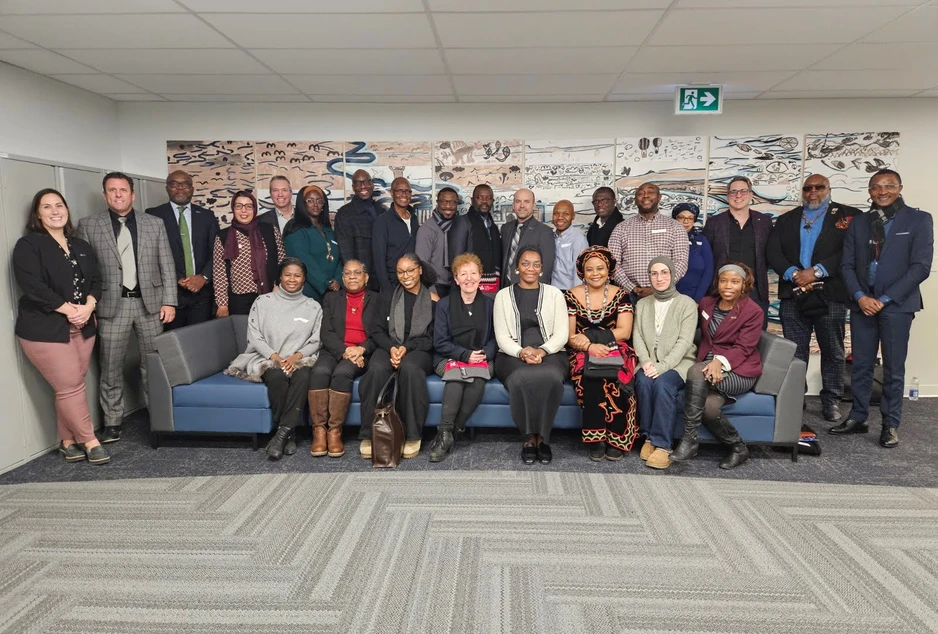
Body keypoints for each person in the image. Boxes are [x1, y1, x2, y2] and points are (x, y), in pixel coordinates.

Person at [834, 168, 933, 448]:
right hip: (862, 303)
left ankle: (890, 424)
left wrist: (886, 299)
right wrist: (860, 296)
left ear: (900, 187)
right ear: (869, 191)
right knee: (862, 364)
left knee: (893, 367)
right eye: (876, 186)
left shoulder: (919, 219)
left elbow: (921, 267)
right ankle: (858, 417)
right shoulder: (859, 222)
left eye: (889, 185)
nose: (882, 191)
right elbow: (847, 264)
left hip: (897, 306)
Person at [77, 172, 176, 444]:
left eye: (123, 190)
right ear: (105, 194)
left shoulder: (153, 224)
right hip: (112, 305)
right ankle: (112, 421)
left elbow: (166, 264)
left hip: (150, 305)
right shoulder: (88, 226)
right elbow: (85, 271)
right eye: (112, 190)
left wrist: (169, 300)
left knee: (153, 365)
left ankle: (158, 418)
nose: (118, 195)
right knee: (110, 366)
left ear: (133, 194)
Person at [14, 189, 109, 465]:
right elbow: (33, 286)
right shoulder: (29, 245)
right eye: (47, 207)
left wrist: (89, 306)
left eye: (59, 205)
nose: (55, 211)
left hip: (83, 326)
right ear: (37, 214)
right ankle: (90, 441)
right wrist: (69, 310)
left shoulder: (80, 245)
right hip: (44, 330)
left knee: (71, 386)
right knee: (69, 385)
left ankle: (67, 442)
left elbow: (97, 281)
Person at [767, 174, 861, 423]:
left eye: (819, 187)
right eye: (808, 188)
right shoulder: (787, 219)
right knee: (795, 353)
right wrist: (794, 274)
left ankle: (831, 401)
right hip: (794, 294)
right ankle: (795, 398)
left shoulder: (848, 216)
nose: (813, 192)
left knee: (833, 351)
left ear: (829, 189)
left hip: (830, 293)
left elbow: (849, 251)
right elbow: (773, 251)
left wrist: (817, 271)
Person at [226, 258, 323, 461]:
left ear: (304, 278)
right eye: (288, 274)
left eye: (297, 275)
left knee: (304, 376)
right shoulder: (263, 302)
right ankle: (289, 433)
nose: (292, 279)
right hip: (268, 358)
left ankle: (281, 434)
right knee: (277, 377)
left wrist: (296, 357)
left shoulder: (313, 307)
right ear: (280, 276)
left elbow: (316, 340)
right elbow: (254, 336)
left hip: (300, 359)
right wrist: (276, 357)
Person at [671, 263, 763, 470]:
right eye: (723, 280)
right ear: (717, 282)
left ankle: (689, 440)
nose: (728, 286)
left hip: (739, 370)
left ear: (744, 284)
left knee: (695, 372)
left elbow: (744, 348)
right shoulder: (706, 303)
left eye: (735, 281)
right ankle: (738, 448)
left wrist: (719, 362)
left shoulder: (753, 311)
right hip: (706, 369)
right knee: (709, 408)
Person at [357, 254, 439, 460]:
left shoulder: (432, 300)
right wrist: (392, 348)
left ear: (420, 270)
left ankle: (412, 435)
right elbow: (376, 330)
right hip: (388, 347)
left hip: (419, 350)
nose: (406, 276)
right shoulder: (387, 297)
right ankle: (369, 433)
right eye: (401, 272)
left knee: (410, 369)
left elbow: (432, 337)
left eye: (410, 270)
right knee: (376, 369)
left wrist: (406, 348)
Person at [494, 246, 569, 465]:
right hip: (512, 354)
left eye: (536, 264)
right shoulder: (502, 296)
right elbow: (502, 337)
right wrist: (521, 352)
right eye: (525, 263)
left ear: (542, 269)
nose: (531, 268)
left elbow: (562, 334)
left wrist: (541, 351)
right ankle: (528, 438)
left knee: (552, 377)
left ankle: (543, 438)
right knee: (520, 378)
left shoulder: (555, 294)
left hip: (551, 352)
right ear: (517, 267)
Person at [564, 246, 638, 461]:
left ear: (609, 270)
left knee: (617, 376)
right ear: (582, 272)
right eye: (589, 269)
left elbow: (624, 332)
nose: (595, 273)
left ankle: (616, 438)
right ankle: (596, 438)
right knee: (589, 376)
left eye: (600, 268)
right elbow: (570, 336)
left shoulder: (621, 295)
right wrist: (589, 347)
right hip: (581, 350)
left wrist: (593, 339)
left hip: (616, 347)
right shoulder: (571, 295)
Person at [309, 259, 380, 458]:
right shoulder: (331, 299)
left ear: (366, 277)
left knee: (342, 373)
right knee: (319, 372)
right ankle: (319, 431)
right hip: (335, 349)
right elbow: (327, 332)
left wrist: (362, 349)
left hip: (361, 352)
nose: (352, 277)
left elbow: (379, 333)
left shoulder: (377, 299)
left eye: (357, 273)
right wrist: (344, 351)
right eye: (347, 273)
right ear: (343, 278)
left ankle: (334, 431)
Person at [429, 253, 496, 462]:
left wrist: (484, 353)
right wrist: (465, 355)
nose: (469, 278)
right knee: (456, 376)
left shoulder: (489, 304)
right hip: (448, 356)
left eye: (473, 273)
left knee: (476, 378)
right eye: (463, 274)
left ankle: (450, 432)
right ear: (456, 279)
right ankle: (446, 432)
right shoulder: (444, 305)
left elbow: (496, 338)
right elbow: (439, 342)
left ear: (480, 277)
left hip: (482, 357)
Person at [632, 257, 698, 470]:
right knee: (642, 382)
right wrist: (647, 362)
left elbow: (684, 342)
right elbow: (638, 337)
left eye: (664, 272)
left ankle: (662, 445)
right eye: (654, 273)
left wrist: (662, 367)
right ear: (649, 276)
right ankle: (648, 437)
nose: (659, 278)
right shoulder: (642, 304)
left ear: (672, 275)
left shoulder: (686, 303)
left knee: (662, 385)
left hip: (678, 363)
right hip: (649, 361)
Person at [146, 170, 219, 329]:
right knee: (173, 344)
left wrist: (204, 277)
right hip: (169, 295)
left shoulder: (207, 216)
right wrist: (177, 278)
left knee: (200, 341)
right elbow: (149, 255)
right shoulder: (152, 216)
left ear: (192, 189)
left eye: (185, 184)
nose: (180, 188)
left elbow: (217, 252)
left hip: (202, 294)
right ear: (167, 188)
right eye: (174, 184)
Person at [702, 176, 773, 318]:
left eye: (743, 191)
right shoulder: (714, 223)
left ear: (751, 194)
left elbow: (770, 256)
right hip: (722, 292)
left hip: (755, 293)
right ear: (728, 196)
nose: (738, 195)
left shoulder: (764, 222)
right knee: (720, 336)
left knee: (755, 337)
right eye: (733, 192)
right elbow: (706, 258)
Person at [608, 182, 688, 304]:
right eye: (640, 193)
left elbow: (681, 261)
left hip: (665, 294)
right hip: (629, 296)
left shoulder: (675, 227)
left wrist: (658, 287)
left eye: (650, 192)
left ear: (659, 197)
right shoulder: (621, 228)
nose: (645, 196)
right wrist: (633, 289)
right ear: (635, 200)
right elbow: (613, 262)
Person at [213, 191, 286, 316]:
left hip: (269, 294)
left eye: (248, 206)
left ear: (254, 209)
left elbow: (282, 260)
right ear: (233, 209)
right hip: (238, 300)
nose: (243, 211)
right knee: (242, 334)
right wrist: (222, 304)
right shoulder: (223, 236)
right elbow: (219, 273)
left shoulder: (269, 230)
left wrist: (277, 285)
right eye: (239, 206)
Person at [283, 184, 342, 303]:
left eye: (319, 201)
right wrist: (325, 283)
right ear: (302, 203)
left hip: (333, 294)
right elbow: (304, 261)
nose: (315, 205)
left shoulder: (328, 230)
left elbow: (340, 258)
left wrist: (338, 280)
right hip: (308, 294)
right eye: (310, 201)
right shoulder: (295, 229)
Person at [334, 169, 386, 292]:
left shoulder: (382, 212)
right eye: (358, 183)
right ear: (353, 187)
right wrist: (357, 278)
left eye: (366, 182)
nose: (363, 186)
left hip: (383, 280)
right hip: (360, 282)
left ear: (372, 184)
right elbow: (346, 253)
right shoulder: (344, 214)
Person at [448, 183, 502, 293]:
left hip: (492, 288)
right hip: (469, 288)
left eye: (488, 198)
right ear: (472, 200)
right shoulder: (463, 222)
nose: (484, 201)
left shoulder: (493, 226)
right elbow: (456, 259)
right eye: (480, 198)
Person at [372, 177, 419, 293]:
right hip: (393, 283)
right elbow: (379, 258)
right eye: (400, 191)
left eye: (407, 191)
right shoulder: (382, 221)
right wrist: (386, 288)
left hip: (413, 281)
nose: (404, 195)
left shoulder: (414, 219)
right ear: (392, 193)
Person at [500, 188, 555, 287]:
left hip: (529, 289)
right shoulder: (506, 228)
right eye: (518, 201)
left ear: (534, 206)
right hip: (505, 289)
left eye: (526, 201)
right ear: (513, 205)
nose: (522, 205)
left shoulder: (545, 232)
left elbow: (545, 270)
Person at [416, 186, 459, 297]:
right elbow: (422, 263)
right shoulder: (427, 229)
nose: (448, 206)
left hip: (458, 285)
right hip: (436, 286)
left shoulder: (461, 226)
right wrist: (431, 292)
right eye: (444, 202)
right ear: (437, 203)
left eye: (452, 202)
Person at [672, 202, 713, 303]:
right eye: (681, 217)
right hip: (668, 297)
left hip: (693, 298)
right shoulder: (666, 239)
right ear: (675, 218)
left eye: (690, 218)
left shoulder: (701, 241)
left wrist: (697, 300)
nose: (686, 221)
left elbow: (708, 272)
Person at [551, 199, 589, 291]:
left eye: (566, 214)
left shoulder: (578, 240)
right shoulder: (550, 237)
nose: (560, 217)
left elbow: (579, 272)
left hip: (569, 290)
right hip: (552, 290)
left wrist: (575, 295)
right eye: (556, 213)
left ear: (573, 216)